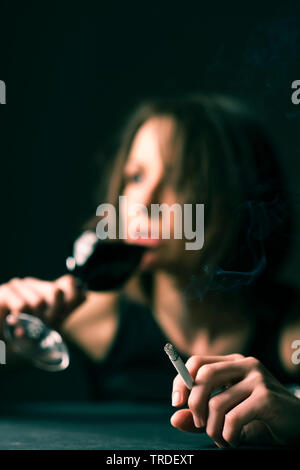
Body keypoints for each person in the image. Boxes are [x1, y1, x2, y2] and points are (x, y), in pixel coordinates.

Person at [0, 94, 299, 447]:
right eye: (136, 176)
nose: (143, 202)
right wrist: (8, 341)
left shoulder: (290, 330)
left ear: (239, 199)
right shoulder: (93, 316)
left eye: (179, 178)